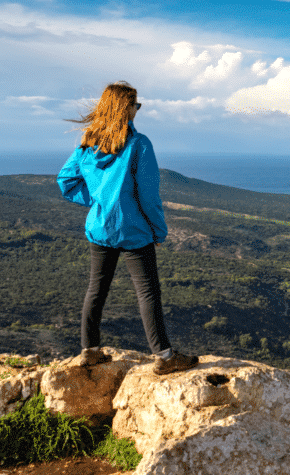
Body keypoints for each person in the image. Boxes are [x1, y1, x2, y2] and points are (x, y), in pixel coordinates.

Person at [57, 81, 198, 375]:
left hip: (100, 229)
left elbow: (66, 182)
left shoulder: (87, 143)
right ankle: (164, 357)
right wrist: (159, 231)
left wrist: (99, 203)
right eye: (136, 105)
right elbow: (147, 196)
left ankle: (90, 351)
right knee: (147, 293)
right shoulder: (139, 144)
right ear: (127, 109)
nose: (138, 110)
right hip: (134, 231)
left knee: (96, 288)